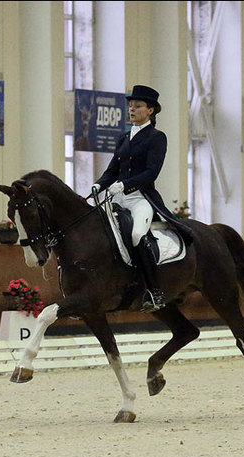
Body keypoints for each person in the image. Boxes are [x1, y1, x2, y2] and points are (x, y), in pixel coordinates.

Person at [93, 85, 192, 312]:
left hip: (140, 198)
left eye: (137, 106)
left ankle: (154, 290)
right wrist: (99, 184)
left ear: (151, 111)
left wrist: (125, 184)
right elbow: (111, 170)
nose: (132, 109)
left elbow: (151, 172)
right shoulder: (123, 138)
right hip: (116, 196)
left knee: (137, 234)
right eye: (130, 106)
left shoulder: (157, 138)